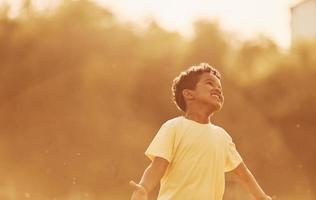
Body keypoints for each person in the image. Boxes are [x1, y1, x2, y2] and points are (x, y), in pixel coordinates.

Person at [129, 63, 272, 200]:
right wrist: (144, 188)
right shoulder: (173, 127)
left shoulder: (222, 136)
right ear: (189, 94)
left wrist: (262, 197)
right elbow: (157, 166)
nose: (217, 89)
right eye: (210, 83)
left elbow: (242, 172)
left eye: (220, 87)